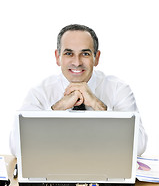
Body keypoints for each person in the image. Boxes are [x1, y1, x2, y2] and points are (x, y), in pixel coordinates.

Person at [9, 24, 147, 156]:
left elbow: (139, 146)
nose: (77, 62)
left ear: (96, 58)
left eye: (85, 54)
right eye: (69, 53)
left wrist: (99, 107)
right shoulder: (40, 92)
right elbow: (16, 147)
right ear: (58, 57)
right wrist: (56, 109)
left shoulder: (118, 89)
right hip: (55, 170)